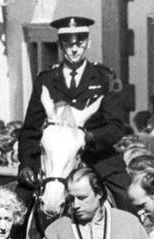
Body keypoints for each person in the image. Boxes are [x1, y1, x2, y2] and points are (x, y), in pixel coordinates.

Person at [17, 15, 132, 211]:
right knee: (18, 204)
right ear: (60, 45)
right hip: (53, 160)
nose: (74, 49)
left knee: (126, 198)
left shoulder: (106, 77)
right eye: (68, 44)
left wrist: (90, 137)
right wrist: (27, 163)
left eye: (79, 42)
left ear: (88, 43)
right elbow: (30, 129)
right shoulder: (45, 80)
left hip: (96, 157)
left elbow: (116, 125)